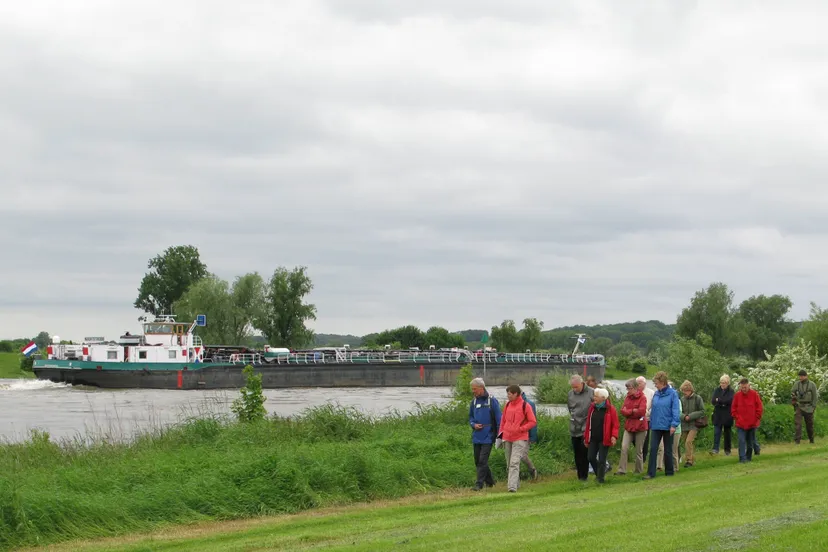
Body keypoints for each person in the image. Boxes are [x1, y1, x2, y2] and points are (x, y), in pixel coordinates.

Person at [499, 384, 537, 492]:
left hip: (520, 438)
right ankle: (516, 483)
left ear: (516, 394)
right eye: (507, 394)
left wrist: (521, 429)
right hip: (507, 437)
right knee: (508, 463)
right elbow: (503, 421)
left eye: (510, 394)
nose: (508, 396)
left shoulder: (526, 405)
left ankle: (512, 487)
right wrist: (500, 434)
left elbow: (532, 422)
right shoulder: (507, 405)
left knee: (514, 462)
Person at [468, 377, 501, 490]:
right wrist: (473, 425)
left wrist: (499, 435)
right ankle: (490, 482)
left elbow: (499, 419)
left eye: (475, 389)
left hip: (489, 435)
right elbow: (471, 417)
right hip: (477, 436)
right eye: (472, 389)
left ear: (481, 388)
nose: (473, 391)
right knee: (477, 460)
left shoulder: (492, 401)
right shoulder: (474, 402)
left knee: (483, 460)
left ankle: (479, 484)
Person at [645, 371, 679, 479]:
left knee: (668, 450)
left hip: (668, 426)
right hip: (655, 425)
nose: (655, 385)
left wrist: (674, 425)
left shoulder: (673, 393)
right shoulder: (656, 394)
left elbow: (675, 410)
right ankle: (650, 473)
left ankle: (669, 471)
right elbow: (653, 409)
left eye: (656, 382)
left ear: (663, 382)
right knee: (653, 448)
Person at [583, 387, 619, 483]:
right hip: (593, 438)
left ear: (603, 398)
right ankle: (598, 474)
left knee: (602, 459)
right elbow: (588, 424)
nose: (594, 398)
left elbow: (615, 425)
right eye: (594, 396)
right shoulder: (592, 408)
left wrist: (614, 436)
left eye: (596, 396)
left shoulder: (611, 409)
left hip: (604, 438)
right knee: (590, 457)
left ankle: (600, 479)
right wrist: (586, 438)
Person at [616, 379, 647, 475]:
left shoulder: (643, 397)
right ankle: (622, 470)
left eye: (629, 388)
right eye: (627, 388)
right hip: (629, 426)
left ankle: (638, 470)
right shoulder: (627, 397)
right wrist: (633, 411)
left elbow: (642, 412)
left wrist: (629, 411)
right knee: (624, 447)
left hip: (640, 427)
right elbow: (622, 410)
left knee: (638, 450)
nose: (628, 390)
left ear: (635, 388)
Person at [567, 374, 595, 481]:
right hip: (574, 427)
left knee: (584, 453)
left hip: (586, 427)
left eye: (576, 387)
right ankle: (580, 476)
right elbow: (570, 409)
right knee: (577, 453)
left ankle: (584, 476)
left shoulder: (592, 392)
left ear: (582, 383)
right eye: (573, 387)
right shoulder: (570, 394)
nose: (574, 389)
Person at [731, 377, 764, 463]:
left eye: (745, 387)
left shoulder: (754, 394)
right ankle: (742, 458)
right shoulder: (737, 395)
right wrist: (737, 417)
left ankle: (748, 457)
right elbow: (733, 409)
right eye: (742, 388)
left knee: (750, 442)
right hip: (740, 424)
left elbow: (759, 408)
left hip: (752, 423)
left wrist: (756, 418)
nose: (744, 389)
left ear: (749, 386)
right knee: (741, 440)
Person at [657, 381, 682, 473]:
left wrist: (672, 424)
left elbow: (677, 413)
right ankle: (662, 466)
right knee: (663, 448)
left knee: (673, 449)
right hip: (665, 428)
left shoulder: (677, 400)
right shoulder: (662, 399)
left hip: (676, 429)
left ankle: (675, 467)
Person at [678, 380, 705, 468]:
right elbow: (678, 412)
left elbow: (702, 411)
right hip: (684, 425)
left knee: (688, 442)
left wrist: (690, 416)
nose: (684, 393)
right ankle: (691, 460)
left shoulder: (698, 398)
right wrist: (684, 416)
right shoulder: (682, 399)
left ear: (690, 390)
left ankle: (689, 461)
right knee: (687, 443)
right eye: (683, 391)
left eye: (685, 391)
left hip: (694, 424)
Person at [792, 369, 818, 445]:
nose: (801, 377)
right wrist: (794, 397)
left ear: (806, 376)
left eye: (802, 376)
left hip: (809, 406)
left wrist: (813, 407)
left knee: (809, 425)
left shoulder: (812, 384)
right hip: (799, 406)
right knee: (798, 424)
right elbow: (792, 392)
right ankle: (797, 441)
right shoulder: (797, 384)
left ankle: (811, 439)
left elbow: (815, 397)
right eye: (800, 376)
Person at [711, 374, 734, 455]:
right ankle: (715, 449)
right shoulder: (717, 390)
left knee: (727, 433)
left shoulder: (731, 391)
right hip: (718, 414)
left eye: (724, 383)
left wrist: (719, 400)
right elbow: (713, 401)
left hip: (727, 415)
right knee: (717, 432)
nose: (722, 384)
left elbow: (730, 401)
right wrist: (722, 401)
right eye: (721, 382)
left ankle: (727, 450)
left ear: (727, 383)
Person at [520, 390, 539, 480]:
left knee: (523, 455)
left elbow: (533, 422)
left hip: (526, 435)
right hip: (514, 435)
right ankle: (517, 476)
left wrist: (533, 437)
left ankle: (532, 470)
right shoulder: (510, 403)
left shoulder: (529, 404)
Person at [637, 376, 654, 463]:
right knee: (635, 437)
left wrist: (647, 412)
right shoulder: (635, 392)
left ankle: (644, 457)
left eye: (640, 383)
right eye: (637, 383)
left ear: (645, 383)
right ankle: (639, 454)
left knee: (646, 438)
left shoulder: (651, 392)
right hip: (636, 418)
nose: (638, 384)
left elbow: (653, 405)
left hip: (647, 418)